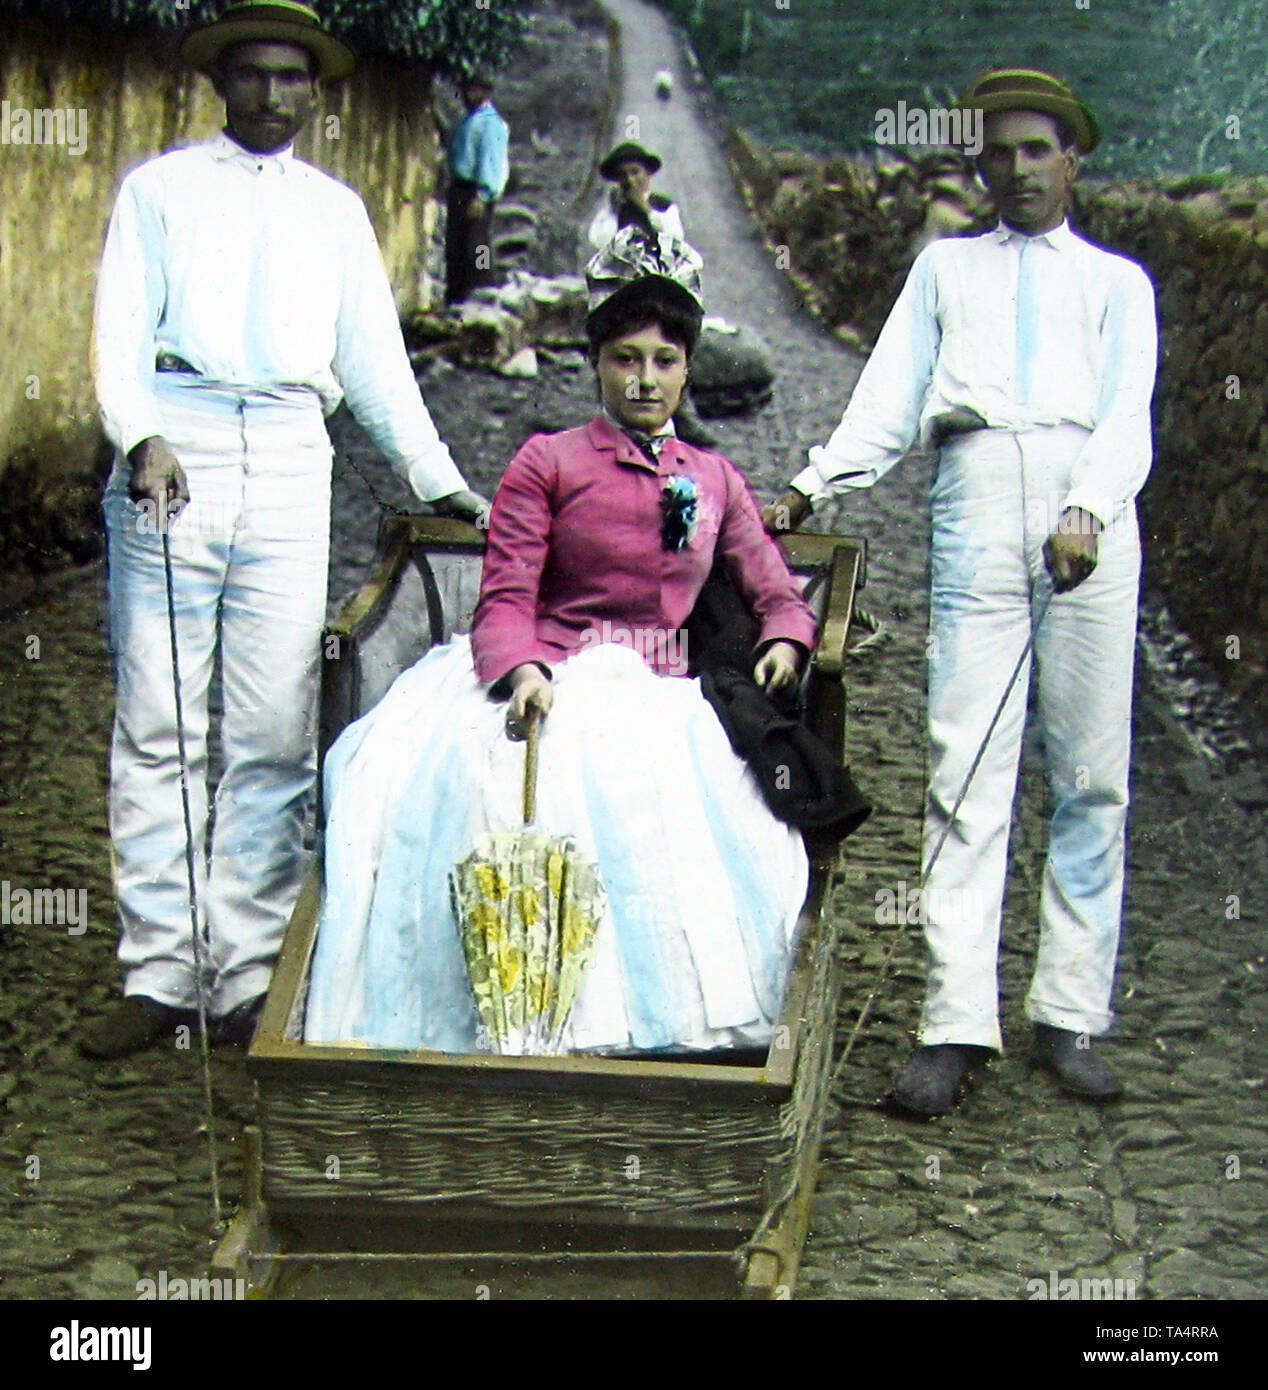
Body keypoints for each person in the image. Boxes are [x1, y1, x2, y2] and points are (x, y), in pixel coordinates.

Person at [81, 1, 488, 1060]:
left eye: (291, 79)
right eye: (253, 75)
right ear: (222, 82)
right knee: (164, 716)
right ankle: (158, 972)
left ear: (316, 91)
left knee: (271, 725)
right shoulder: (158, 192)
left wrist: (439, 482)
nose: (272, 95)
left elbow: (374, 365)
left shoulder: (335, 212)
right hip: (180, 450)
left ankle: (244, 972)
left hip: (293, 456)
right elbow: (119, 333)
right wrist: (141, 436)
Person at [304, 234, 818, 1055]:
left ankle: (668, 1031)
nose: (644, 380)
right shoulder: (549, 461)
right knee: (483, 785)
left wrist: (788, 637)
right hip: (558, 668)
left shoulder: (713, 476)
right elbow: (506, 593)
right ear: (596, 364)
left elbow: (771, 584)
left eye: (663, 361)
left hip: (659, 683)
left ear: (688, 372)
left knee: (703, 803)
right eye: (623, 359)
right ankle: (510, 1023)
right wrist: (523, 671)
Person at [765, 69, 1158, 1114]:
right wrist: (810, 481)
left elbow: (1127, 417)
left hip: (1092, 517)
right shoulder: (943, 271)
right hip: (975, 497)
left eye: (1039, 150)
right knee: (963, 761)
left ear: (1073, 160)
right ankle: (951, 1023)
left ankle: (1068, 1011)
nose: (1018, 169)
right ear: (979, 163)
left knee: (1087, 774)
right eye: (1000, 151)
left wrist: (1086, 506)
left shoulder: (1119, 285)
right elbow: (887, 400)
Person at [445, 73, 510, 306]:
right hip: (459, 189)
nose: (467, 96)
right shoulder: (470, 121)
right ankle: (457, 298)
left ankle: (483, 289)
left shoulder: (490, 123)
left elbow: (490, 161)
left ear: (485, 92)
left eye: (473, 90)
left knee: (477, 243)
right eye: (465, 90)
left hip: (475, 191)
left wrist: (482, 195)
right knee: (457, 246)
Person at [587, 141, 685, 250]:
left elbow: (675, 239)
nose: (630, 179)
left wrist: (646, 208)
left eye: (635, 172)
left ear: (647, 173)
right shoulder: (609, 212)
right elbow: (599, 243)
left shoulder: (664, 206)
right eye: (623, 175)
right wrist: (615, 212)